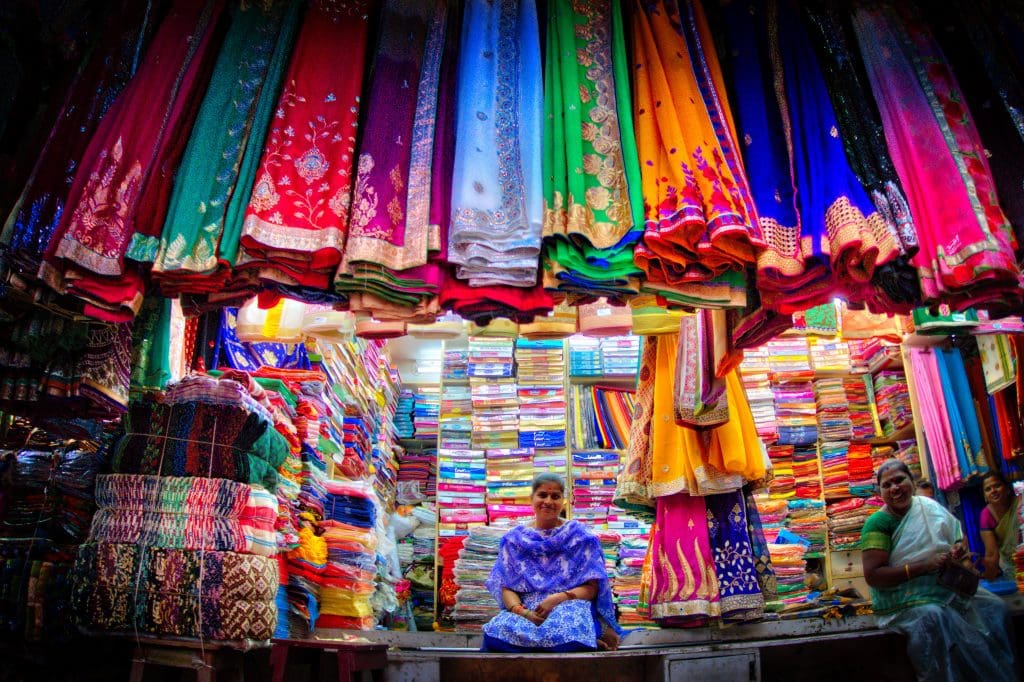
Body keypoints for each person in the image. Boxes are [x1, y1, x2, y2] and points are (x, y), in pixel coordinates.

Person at [861, 459, 1015, 681]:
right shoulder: (878, 523)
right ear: (880, 491)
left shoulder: (928, 507)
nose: (894, 488)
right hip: (902, 598)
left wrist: (958, 549)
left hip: (944, 587)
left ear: (912, 482)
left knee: (995, 607)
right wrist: (925, 566)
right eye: (887, 485)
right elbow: (873, 575)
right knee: (935, 617)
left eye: (899, 480)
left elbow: (957, 538)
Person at [481, 473, 623, 652]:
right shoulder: (514, 540)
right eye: (542, 495)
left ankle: (583, 641)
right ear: (531, 498)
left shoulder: (580, 537)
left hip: (569, 604)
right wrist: (523, 612)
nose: (548, 501)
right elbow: (506, 587)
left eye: (555, 496)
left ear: (563, 500)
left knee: (569, 630)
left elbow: (592, 587)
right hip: (528, 609)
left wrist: (557, 599)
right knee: (496, 631)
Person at [980, 471, 1020, 580]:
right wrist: (989, 580)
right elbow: (992, 553)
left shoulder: (1020, 504)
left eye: (997, 486)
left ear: (1007, 488)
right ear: (985, 496)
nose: (993, 491)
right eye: (988, 489)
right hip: (1012, 565)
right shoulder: (986, 515)